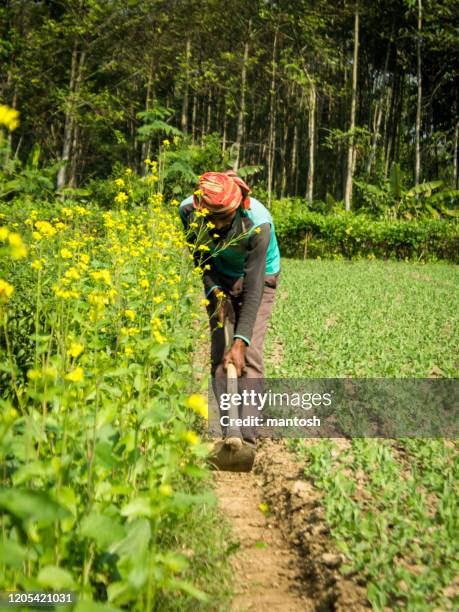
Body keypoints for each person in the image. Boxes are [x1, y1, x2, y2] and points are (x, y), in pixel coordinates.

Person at [178, 170, 280, 460]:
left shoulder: (258, 223)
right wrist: (215, 293)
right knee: (219, 353)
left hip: (260, 277)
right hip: (218, 277)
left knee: (247, 354)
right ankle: (227, 433)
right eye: (213, 218)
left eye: (225, 218)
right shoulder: (187, 211)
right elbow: (199, 256)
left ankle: (246, 440)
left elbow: (254, 286)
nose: (219, 225)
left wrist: (241, 340)